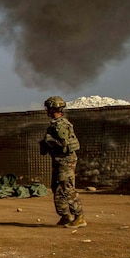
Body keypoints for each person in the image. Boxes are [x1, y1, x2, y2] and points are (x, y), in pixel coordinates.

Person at [39, 96, 86, 228]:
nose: (47, 110)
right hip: (59, 161)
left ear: (53, 108)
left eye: (49, 108)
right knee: (58, 188)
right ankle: (65, 216)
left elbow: (63, 144)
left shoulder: (60, 125)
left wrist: (48, 141)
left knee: (67, 188)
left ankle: (79, 216)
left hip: (65, 161)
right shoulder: (56, 124)